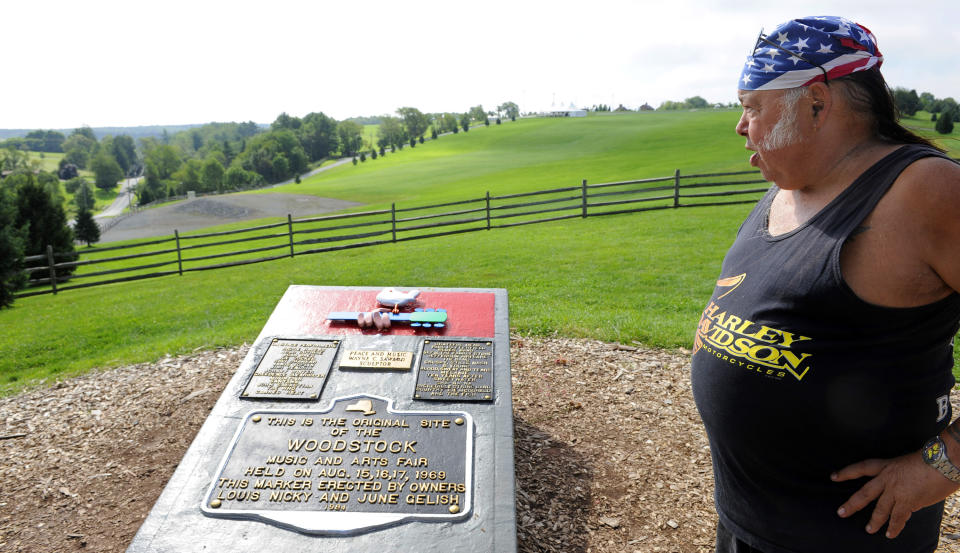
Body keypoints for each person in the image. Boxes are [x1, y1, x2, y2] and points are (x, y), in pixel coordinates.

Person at [691, 15, 960, 553]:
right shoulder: (787, 189)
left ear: (816, 103)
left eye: (751, 106)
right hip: (747, 526)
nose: (740, 126)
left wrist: (944, 464)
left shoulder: (927, 191)